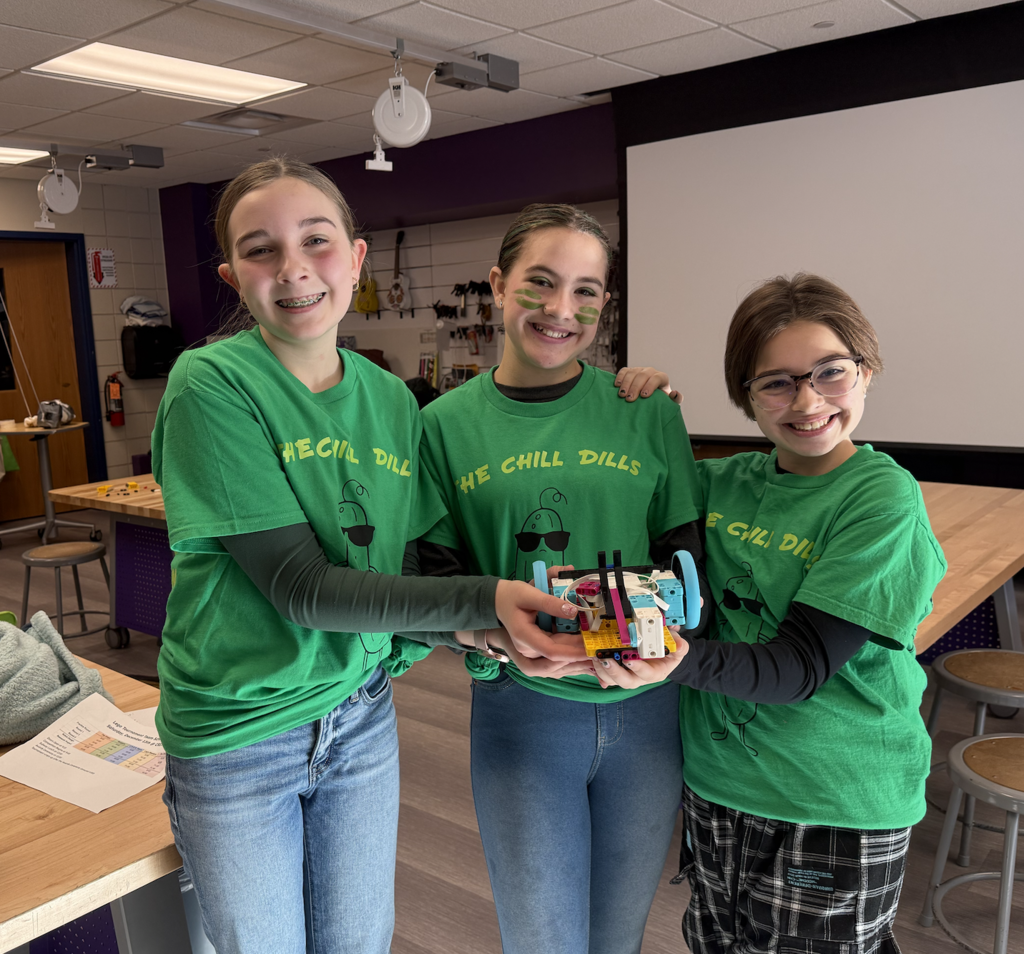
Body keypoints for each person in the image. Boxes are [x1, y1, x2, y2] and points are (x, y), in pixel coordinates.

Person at [151, 159, 584, 954]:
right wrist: (485, 601)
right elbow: (302, 588)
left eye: (316, 241)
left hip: (359, 713)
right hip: (242, 730)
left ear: (355, 260)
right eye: (260, 249)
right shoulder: (209, 383)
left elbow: (404, 571)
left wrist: (484, 631)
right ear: (233, 278)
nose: (293, 268)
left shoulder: (389, 398)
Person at [597, 274, 946, 954]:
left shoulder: (881, 498)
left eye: (830, 372)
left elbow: (800, 666)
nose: (808, 401)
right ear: (747, 395)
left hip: (833, 802)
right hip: (719, 787)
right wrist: (648, 416)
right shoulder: (720, 482)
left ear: (866, 371)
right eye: (777, 383)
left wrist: (672, 661)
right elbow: (628, 486)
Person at [395, 204, 707, 954]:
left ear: (604, 304)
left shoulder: (646, 411)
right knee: (542, 941)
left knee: (617, 938)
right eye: (540, 282)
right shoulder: (441, 426)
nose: (561, 309)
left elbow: (684, 559)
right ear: (499, 285)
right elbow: (435, 580)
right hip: (522, 712)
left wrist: (665, 639)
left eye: (586, 291)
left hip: (647, 712)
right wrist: (497, 637)